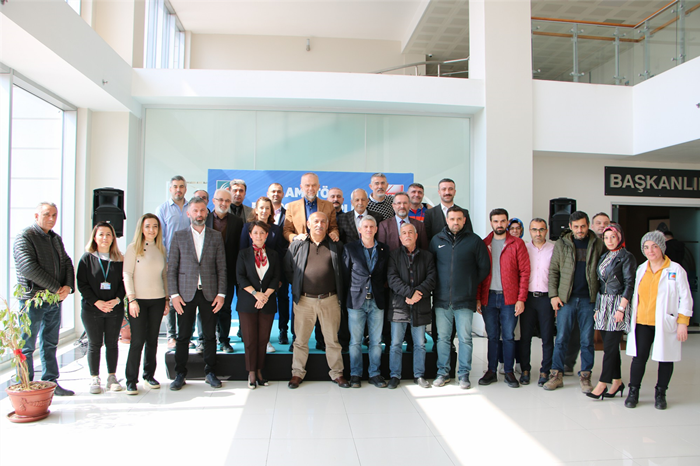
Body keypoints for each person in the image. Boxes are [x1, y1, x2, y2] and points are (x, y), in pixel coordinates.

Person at [624, 231, 693, 410]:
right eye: (646, 247)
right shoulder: (641, 269)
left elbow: (685, 298)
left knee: (665, 358)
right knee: (639, 358)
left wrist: (683, 322)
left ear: (662, 247)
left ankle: (661, 394)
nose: (650, 251)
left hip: (665, 322)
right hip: (642, 321)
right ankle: (633, 392)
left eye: (654, 246)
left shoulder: (675, 269)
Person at [13, 202, 75, 396]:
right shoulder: (25, 236)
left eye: (54, 215)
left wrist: (67, 287)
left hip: (54, 301)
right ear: (36, 216)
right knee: (27, 345)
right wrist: (56, 288)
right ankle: (25, 385)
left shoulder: (55, 238)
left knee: (50, 343)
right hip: (32, 300)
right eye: (47, 214)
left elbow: (67, 262)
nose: (51, 218)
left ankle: (51, 383)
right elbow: (28, 268)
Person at [168, 197, 227, 390]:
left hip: (210, 293)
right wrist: (174, 295)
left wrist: (221, 294)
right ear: (188, 213)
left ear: (207, 213)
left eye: (202, 210)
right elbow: (172, 268)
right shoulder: (179, 236)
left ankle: (210, 372)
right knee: (183, 336)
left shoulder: (216, 236)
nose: (199, 214)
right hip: (184, 294)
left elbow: (222, 268)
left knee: (210, 336)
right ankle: (180, 374)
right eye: (195, 211)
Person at [285, 212, 349, 389]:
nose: (319, 224)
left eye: (323, 222)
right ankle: (297, 373)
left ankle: (337, 373)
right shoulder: (297, 245)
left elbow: (343, 272)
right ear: (308, 224)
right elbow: (288, 269)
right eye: (315, 221)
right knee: (300, 340)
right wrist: (299, 286)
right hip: (304, 301)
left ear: (327, 225)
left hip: (330, 300)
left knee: (332, 340)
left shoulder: (336, 245)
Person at [429, 207, 490, 389]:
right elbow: (430, 267)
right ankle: (443, 372)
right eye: (452, 219)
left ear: (464, 220)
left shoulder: (475, 241)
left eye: (459, 219)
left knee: (465, 339)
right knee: (443, 338)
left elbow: (484, 268)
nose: (455, 222)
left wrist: (469, 283)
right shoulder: (436, 240)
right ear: (446, 220)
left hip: (464, 299)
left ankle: (464, 374)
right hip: (441, 300)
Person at [544, 211, 604, 393]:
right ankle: (556, 375)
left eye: (583, 226)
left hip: (589, 300)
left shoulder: (598, 244)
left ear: (588, 226)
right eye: (576, 227)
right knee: (561, 338)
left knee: (587, 340)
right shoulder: (561, 244)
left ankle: (585, 376)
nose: (580, 230)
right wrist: (553, 295)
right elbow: (554, 270)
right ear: (570, 227)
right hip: (566, 300)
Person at [477, 209, 530, 389]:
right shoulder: (484, 244)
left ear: (507, 222)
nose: (499, 224)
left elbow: (524, 272)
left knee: (508, 336)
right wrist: (478, 298)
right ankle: (491, 371)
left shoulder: (517, 243)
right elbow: (479, 273)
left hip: (510, 298)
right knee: (492, 336)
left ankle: (508, 371)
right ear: (491, 222)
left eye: (502, 221)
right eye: (495, 221)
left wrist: (521, 299)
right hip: (489, 297)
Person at [586, 223, 637, 400]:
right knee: (611, 347)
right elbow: (600, 283)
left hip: (618, 304)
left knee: (609, 347)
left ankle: (602, 383)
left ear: (620, 237)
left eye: (613, 237)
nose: (609, 241)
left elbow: (629, 284)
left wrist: (621, 308)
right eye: (606, 238)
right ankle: (617, 382)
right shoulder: (605, 256)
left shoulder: (626, 257)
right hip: (603, 304)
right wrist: (597, 308)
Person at [76, 222, 125, 394]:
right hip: (92, 309)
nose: (105, 238)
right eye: (101, 234)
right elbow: (82, 284)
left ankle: (111, 376)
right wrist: (97, 302)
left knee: (112, 343)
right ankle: (94, 377)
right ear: (95, 238)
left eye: (108, 234)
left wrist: (117, 300)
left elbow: (124, 283)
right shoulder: (87, 258)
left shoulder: (120, 259)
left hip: (114, 309)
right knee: (94, 343)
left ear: (113, 238)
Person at [387, 222, 436, 389]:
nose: (407, 235)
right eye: (404, 233)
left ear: (416, 236)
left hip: (420, 305)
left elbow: (432, 279)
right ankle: (395, 375)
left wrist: (417, 294)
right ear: (400, 238)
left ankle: (419, 375)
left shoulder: (427, 256)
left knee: (420, 344)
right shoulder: (393, 256)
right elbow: (392, 279)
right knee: (395, 344)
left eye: (410, 232)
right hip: (399, 305)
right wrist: (409, 294)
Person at [123, 214, 169, 395]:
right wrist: (131, 299)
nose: (152, 230)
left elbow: (164, 276)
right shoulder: (133, 248)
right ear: (141, 228)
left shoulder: (161, 249)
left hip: (157, 300)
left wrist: (166, 299)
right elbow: (127, 274)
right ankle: (131, 380)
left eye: (155, 226)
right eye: (148, 226)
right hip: (138, 301)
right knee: (137, 341)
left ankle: (149, 375)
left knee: (152, 340)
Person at [342, 216, 390, 388]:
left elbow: (386, 275)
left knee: (376, 341)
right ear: (359, 229)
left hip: (377, 301)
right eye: (365, 226)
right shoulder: (350, 248)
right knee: (355, 341)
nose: (368, 229)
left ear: (376, 229)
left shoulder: (384, 249)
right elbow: (345, 275)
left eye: (371, 226)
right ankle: (355, 374)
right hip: (356, 302)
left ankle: (374, 374)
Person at [236, 221, 280, 389]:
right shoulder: (243, 254)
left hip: (267, 302)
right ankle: (251, 372)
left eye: (262, 233)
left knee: (263, 340)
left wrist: (265, 296)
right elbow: (240, 277)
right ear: (250, 235)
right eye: (255, 232)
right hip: (248, 302)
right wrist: (256, 294)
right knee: (250, 340)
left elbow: (276, 278)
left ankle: (260, 370)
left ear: (267, 235)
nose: (259, 236)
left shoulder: (274, 255)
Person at [241, 196, 286, 353]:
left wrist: (278, 278)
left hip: (269, 278)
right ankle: (250, 339)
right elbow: (242, 251)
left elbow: (280, 254)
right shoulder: (246, 227)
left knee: (266, 310)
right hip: (250, 278)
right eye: (261, 207)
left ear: (271, 211)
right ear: (256, 209)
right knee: (251, 309)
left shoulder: (276, 229)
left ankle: (265, 341)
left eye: (267, 208)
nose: (264, 211)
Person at [205, 189, 244, 353]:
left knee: (225, 308)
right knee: (206, 309)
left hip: (228, 272)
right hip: (206, 272)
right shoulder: (204, 219)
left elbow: (239, 248)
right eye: (220, 200)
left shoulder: (237, 222)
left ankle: (224, 340)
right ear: (213, 201)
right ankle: (205, 340)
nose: (224, 203)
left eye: (227, 201)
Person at [155, 175, 190, 351]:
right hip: (171, 260)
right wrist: (165, 261)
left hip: (190, 262)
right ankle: (171, 336)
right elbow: (159, 237)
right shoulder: (162, 209)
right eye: (175, 186)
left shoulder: (192, 207)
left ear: (185, 189)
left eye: (181, 186)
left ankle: (186, 336)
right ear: (170, 189)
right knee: (171, 298)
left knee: (188, 299)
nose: (178, 189)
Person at [520, 218, 556, 387]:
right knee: (525, 337)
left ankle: (545, 371)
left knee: (547, 337)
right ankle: (525, 370)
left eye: (541, 229)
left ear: (546, 231)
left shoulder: (554, 249)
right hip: (527, 298)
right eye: (534, 230)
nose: (538, 233)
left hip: (546, 298)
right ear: (529, 231)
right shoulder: (524, 248)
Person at [283, 172, 339, 243]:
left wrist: (334, 234)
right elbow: (286, 231)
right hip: (300, 247)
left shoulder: (329, 206)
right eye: (307, 185)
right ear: (301, 187)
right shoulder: (291, 207)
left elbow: (334, 228)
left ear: (318, 187)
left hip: (323, 246)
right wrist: (296, 237)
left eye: (314, 185)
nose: (311, 188)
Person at [268, 182, 291, 345]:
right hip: (262, 264)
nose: (276, 194)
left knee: (283, 298)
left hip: (282, 264)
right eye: (273, 191)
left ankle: (283, 330)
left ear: (283, 194)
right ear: (268, 193)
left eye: (279, 191)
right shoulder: (260, 213)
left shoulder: (289, 214)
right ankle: (262, 331)